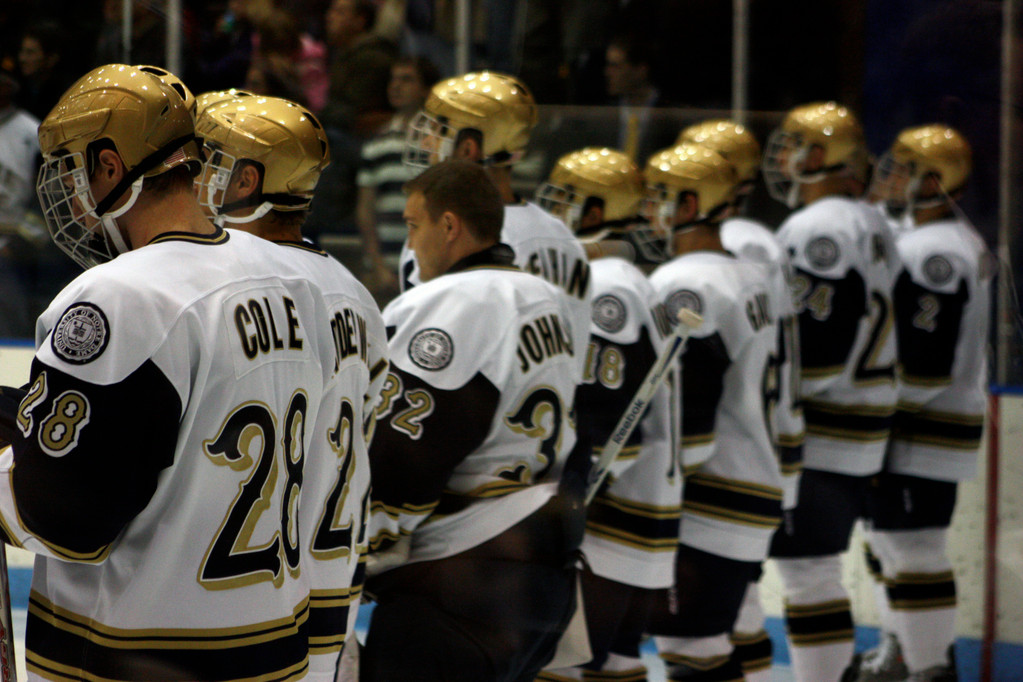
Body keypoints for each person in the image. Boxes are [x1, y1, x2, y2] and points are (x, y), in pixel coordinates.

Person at [0, 63, 369, 679]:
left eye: (72, 168)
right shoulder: (291, 280)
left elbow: (64, 518)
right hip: (275, 653)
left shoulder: (119, 295)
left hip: (138, 656)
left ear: (110, 167)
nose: (68, 193)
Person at [361, 159, 585, 681]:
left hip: (462, 576)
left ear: (449, 226)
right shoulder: (542, 297)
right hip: (542, 560)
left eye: (415, 226)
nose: (411, 244)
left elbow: (410, 448)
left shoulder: (456, 302)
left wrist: (366, 546)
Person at [194, 91, 389, 679]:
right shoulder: (356, 293)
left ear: (248, 182)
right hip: (329, 606)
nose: (195, 177)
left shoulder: (222, 280)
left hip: (228, 609)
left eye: (211, 163)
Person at [761, 101, 901, 682]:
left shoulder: (817, 227)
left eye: (795, 144)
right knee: (817, 570)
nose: (785, 156)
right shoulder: (872, 220)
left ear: (820, 156)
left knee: (808, 571)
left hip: (824, 423)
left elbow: (819, 338)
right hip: (862, 420)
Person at [845, 125, 990, 682]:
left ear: (936, 180)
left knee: (914, 548)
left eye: (905, 169)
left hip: (923, 424)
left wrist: (877, 403)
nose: (890, 178)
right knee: (888, 544)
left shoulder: (938, 252)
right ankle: (902, 651)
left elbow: (926, 364)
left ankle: (929, 668)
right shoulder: (926, 238)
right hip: (912, 423)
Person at [534, 147, 682, 681]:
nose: (553, 211)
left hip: (615, 520)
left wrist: (563, 500)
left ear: (594, 213)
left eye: (566, 199)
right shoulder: (630, 278)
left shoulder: (609, 287)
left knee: (558, 668)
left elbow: (612, 421)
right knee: (616, 665)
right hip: (645, 514)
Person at [645, 142, 785, 681]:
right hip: (752, 478)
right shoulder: (748, 275)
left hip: (711, 492)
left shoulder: (686, 283)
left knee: (692, 652)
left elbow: (688, 406)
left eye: (660, 198)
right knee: (723, 641)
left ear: (689, 204)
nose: (650, 212)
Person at [680, 118, 806, 682]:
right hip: (761, 440)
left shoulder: (733, 249)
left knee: (702, 634)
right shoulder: (742, 252)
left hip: (729, 454)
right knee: (736, 613)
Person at [400, 70, 592, 376]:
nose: (426, 141)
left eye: (437, 131)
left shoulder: (449, 229)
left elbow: (429, 344)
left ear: (468, 149)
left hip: (479, 407)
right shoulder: (561, 234)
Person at [355, 55, 439, 302]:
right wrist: (377, 265)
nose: (396, 86)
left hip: (429, 268)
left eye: (407, 79)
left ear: (425, 89)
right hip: (387, 269)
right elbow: (365, 209)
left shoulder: (439, 142)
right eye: (393, 79)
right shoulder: (377, 141)